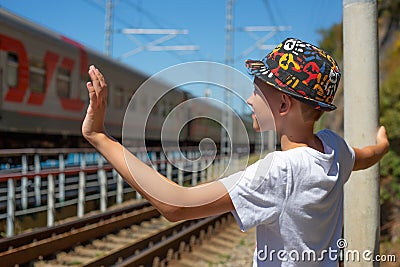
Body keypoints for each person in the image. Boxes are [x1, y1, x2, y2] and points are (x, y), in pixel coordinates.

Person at [82, 37, 389, 266]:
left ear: (283, 105)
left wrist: (100, 137)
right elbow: (365, 156)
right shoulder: (333, 148)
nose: (249, 98)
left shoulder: (279, 172)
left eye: (257, 90)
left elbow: (175, 205)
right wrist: (383, 145)